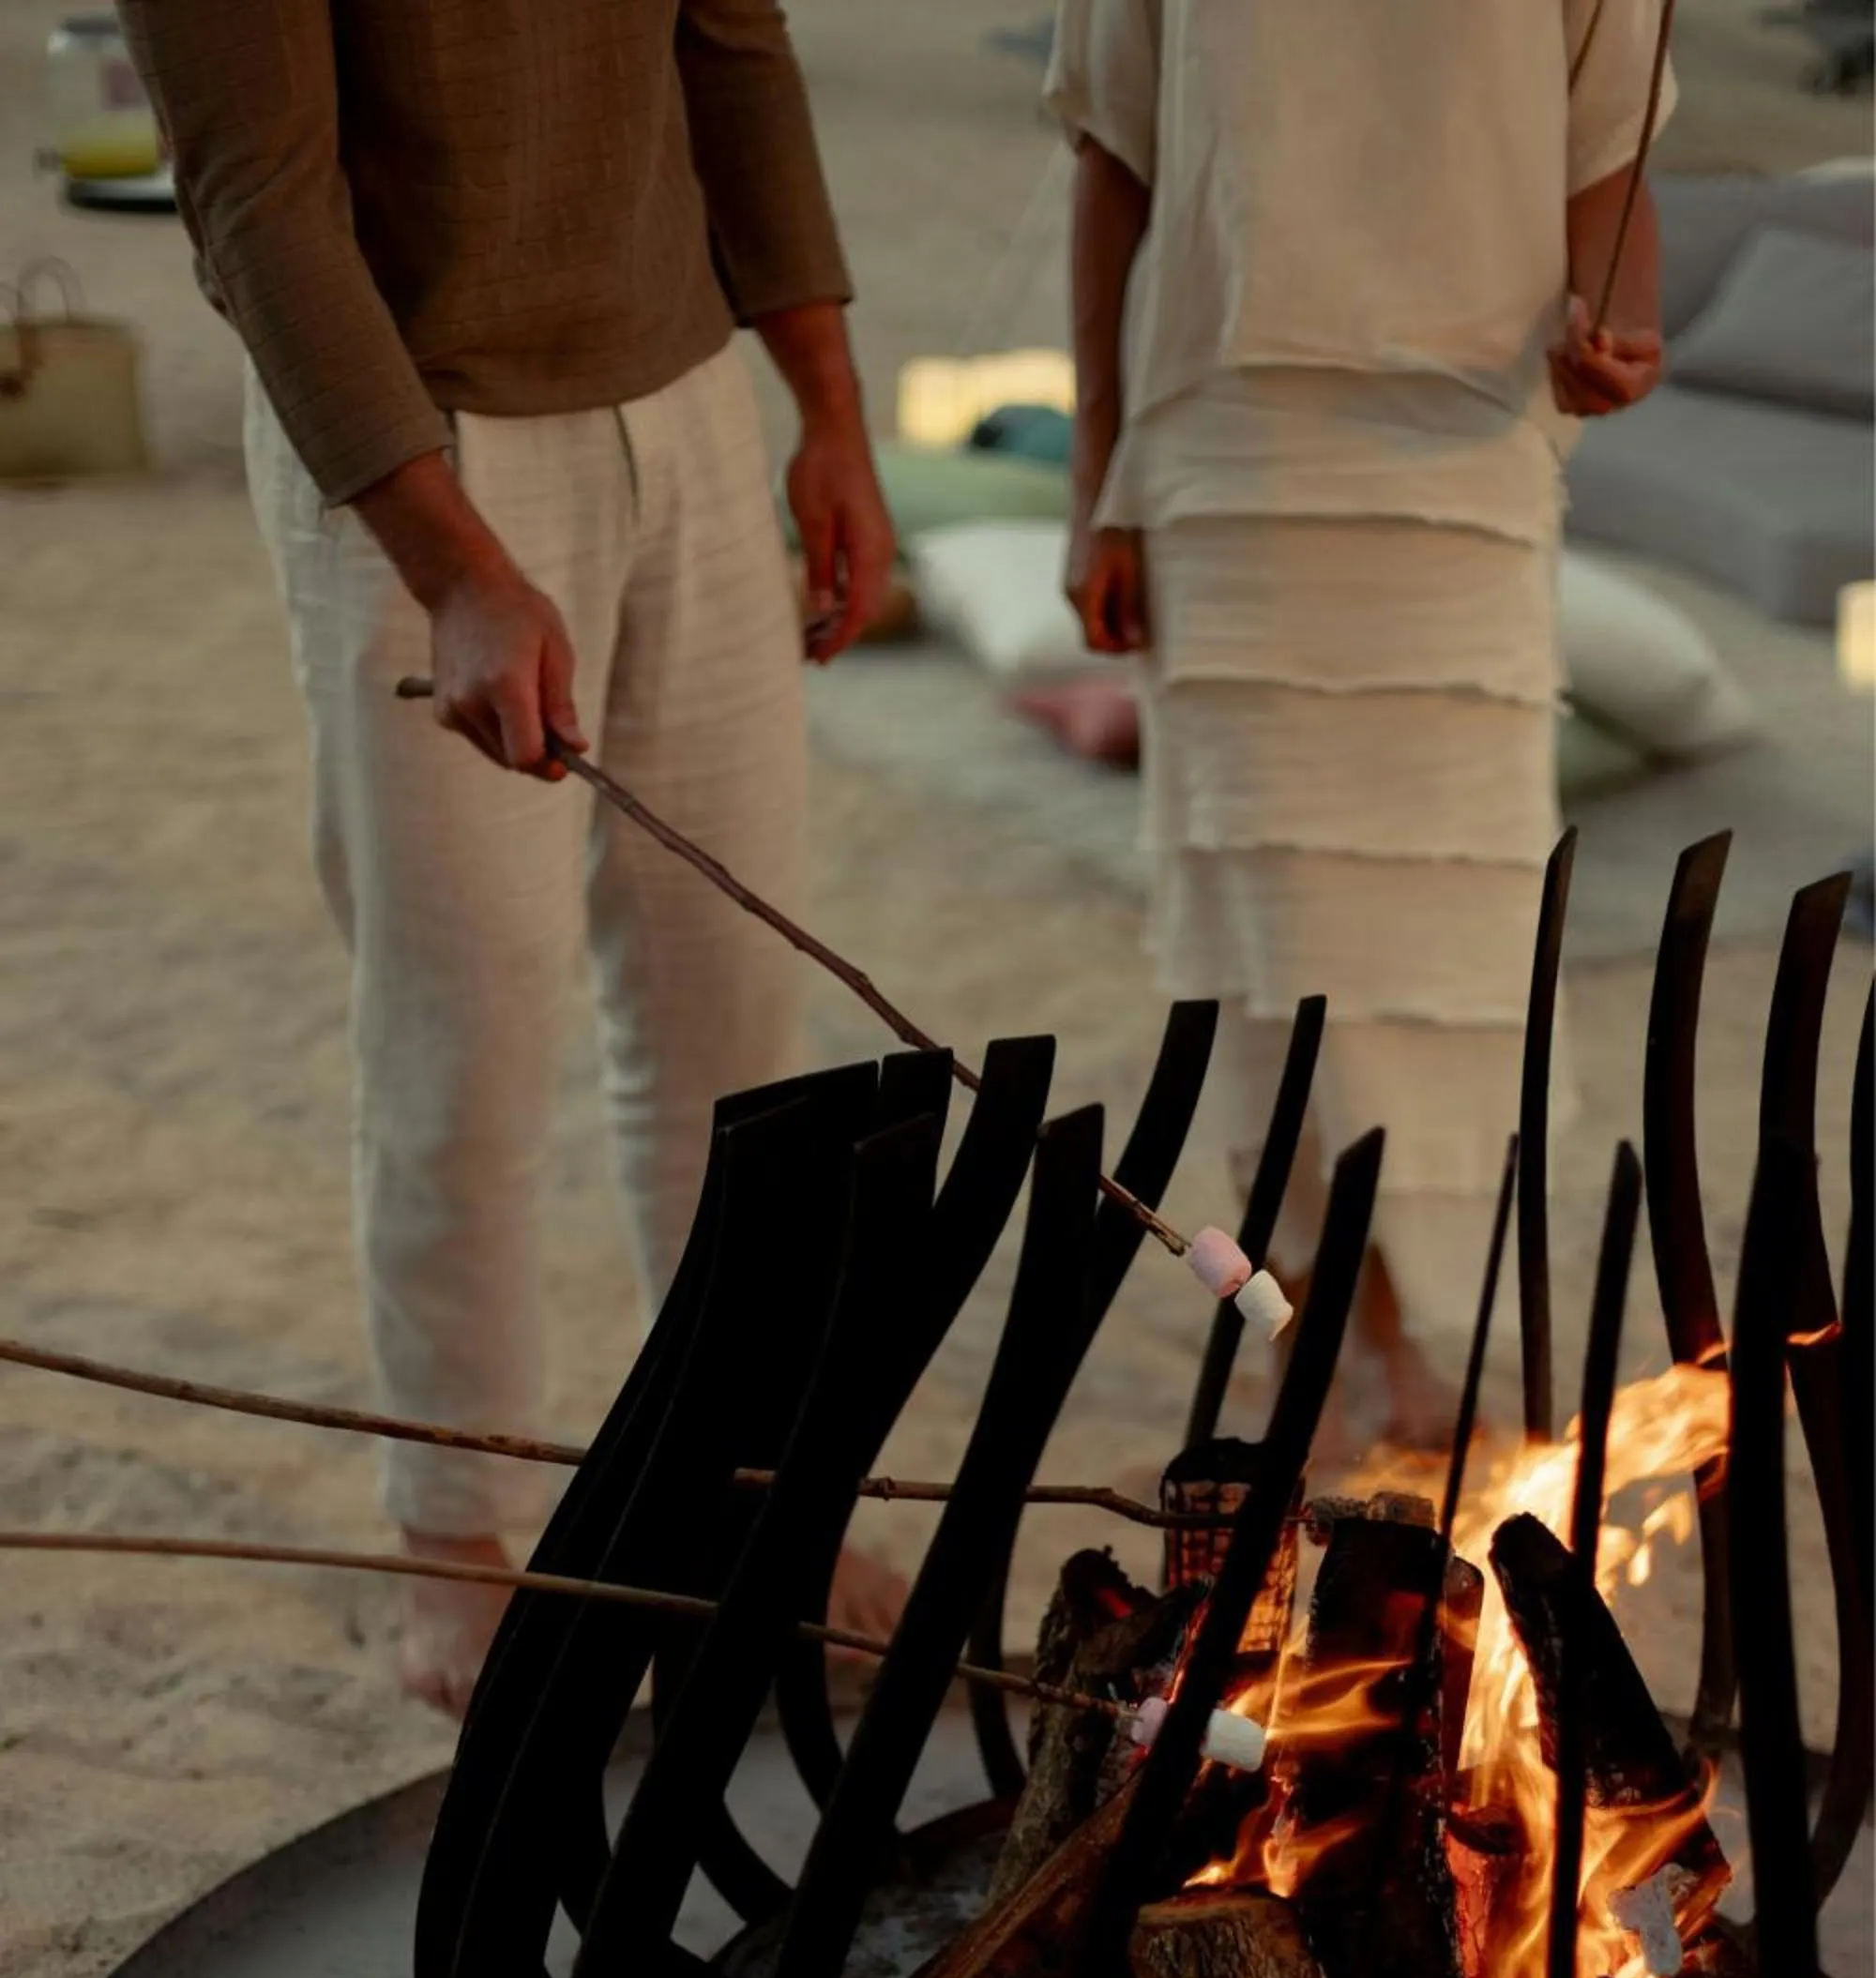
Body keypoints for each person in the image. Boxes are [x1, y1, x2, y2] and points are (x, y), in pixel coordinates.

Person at [117, 0, 900, 1715]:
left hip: (688, 400)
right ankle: (455, 1535)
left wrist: (824, 406)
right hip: (419, 434)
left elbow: (734, 46)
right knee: (467, 1039)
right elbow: (258, 199)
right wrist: (455, 564)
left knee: (730, 1019)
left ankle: (741, 1489)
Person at [1050, 0, 1673, 1444]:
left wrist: (1621, 323)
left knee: (1443, 927)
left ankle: (1407, 1313)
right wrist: (1099, 474)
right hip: (1230, 433)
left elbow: (1612, 156)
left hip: (1468, 438)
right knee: (1275, 921)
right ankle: (1324, 1317)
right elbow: (1117, 154)